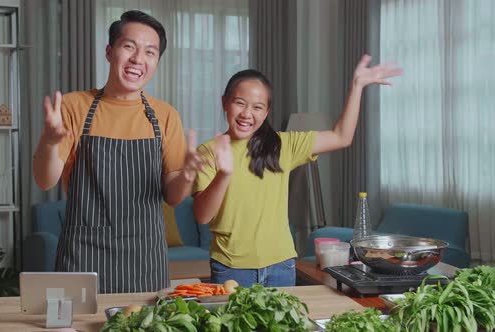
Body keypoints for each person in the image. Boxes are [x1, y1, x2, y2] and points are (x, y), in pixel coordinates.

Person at [192, 56, 402, 287]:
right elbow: (202, 215)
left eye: (257, 107)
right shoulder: (209, 151)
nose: (246, 114)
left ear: (267, 111)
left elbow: (341, 136)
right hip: (231, 267)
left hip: (281, 265)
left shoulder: (282, 145)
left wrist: (357, 86)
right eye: (239, 103)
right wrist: (224, 174)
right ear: (225, 102)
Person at [32, 10, 203, 294]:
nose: (138, 59)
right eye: (129, 47)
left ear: (157, 61)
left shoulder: (165, 116)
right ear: (109, 52)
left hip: (144, 257)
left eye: (150, 52)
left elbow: (173, 197)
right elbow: (45, 180)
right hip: (82, 255)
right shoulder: (74, 106)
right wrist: (50, 141)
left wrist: (186, 175)